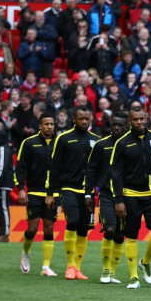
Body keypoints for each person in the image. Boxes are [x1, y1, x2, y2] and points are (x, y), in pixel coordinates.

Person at [110, 107, 151, 288]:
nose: (140, 122)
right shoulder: (122, 143)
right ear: (130, 122)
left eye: (142, 119)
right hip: (130, 196)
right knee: (132, 235)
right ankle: (134, 277)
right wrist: (118, 200)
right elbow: (116, 173)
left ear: (147, 119)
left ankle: (146, 262)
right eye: (136, 120)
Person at [46, 106, 100, 280]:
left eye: (87, 118)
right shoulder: (63, 139)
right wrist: (51, 193)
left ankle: (77, 268)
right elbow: (54, 168)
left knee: (84, 228)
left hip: (88, 192)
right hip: (68, 188)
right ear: (73, 120)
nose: (84, 121)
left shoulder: (96, 140)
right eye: (80, 118)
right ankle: (70, 265)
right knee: (73, 221)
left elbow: (100, 167)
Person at [86, 112, 129, 286]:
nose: (117, 128)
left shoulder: (131, 145)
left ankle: (112, 272)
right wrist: (88, 193)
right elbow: (91, 170)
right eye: (114, 125)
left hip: (127, 195)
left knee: (120, 235)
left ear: (126, 126)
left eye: (120, 125)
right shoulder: (101, 145)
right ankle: (105, 270)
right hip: (106, 194)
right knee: (110, 230)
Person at [16, 112, 57, 275]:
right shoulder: (29, 143)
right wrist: (20, 189)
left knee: (49, 226)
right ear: (40, 126)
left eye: (52, 124)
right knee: (32, 229)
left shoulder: (59, 143)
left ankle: (46, 267)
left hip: (52, 193)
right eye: (46, 124)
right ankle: (25, 253)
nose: (49, 127)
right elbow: (20, 167)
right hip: (34, 191)